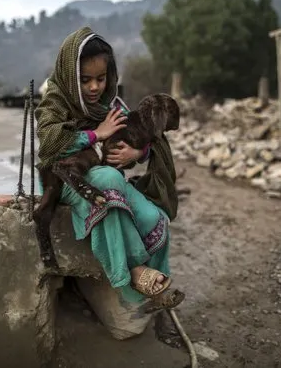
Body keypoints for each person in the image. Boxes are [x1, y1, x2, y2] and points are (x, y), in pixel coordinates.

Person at [35, 26, 183, 309]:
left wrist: (136, 151)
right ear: (69, 76)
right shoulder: (55, 103)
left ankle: (156, 292)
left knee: (155, 219)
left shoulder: (110, 105)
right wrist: (95, 135)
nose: (94, 87)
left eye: (101, 79)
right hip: (66, 181)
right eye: (86, 80)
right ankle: (132, 274)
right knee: (109, 181)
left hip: (105, 180)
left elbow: (141, 135)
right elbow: (49, 144)